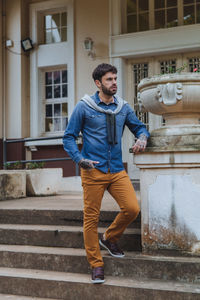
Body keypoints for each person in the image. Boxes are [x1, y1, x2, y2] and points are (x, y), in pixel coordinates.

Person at [63, 63, 150, 284]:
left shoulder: (123, 107)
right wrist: (79, 159)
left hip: (117, 170)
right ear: (98, 83)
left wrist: (142, 137)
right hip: (93, 170)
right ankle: (96, 264)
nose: (114, 83)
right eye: (109, 79)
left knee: (132, 208)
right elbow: (68, 137)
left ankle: (109, 238)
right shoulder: (85, 107)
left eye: (115, 79)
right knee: (91, 218)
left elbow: (139, 126)